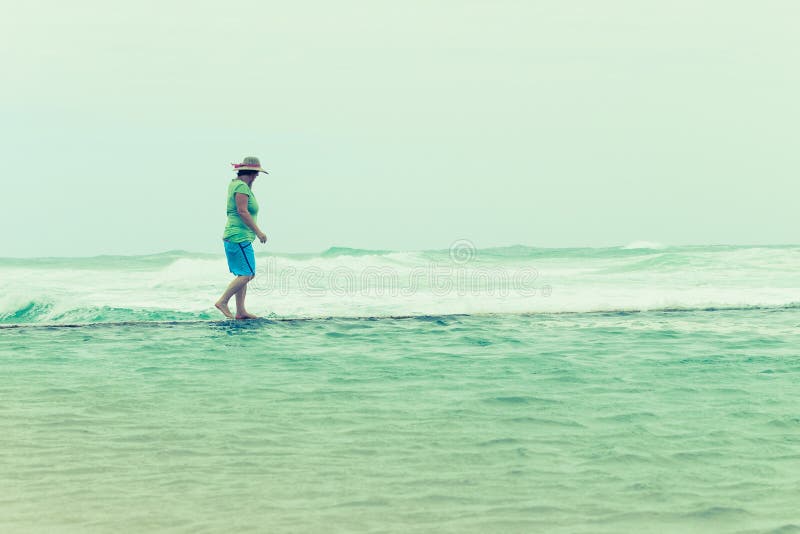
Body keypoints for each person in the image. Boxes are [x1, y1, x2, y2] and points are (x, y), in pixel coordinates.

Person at [215, 156, 269, 319]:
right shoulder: (241, 187)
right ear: (251, 173)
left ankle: (240, 311)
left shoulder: (237, 185)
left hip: (237, 236)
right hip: (238, 236)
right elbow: (242, 211)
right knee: (248, 274)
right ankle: (223, 301)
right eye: (256, 174)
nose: (257, 177)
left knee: (244, 274)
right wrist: (259, 232)